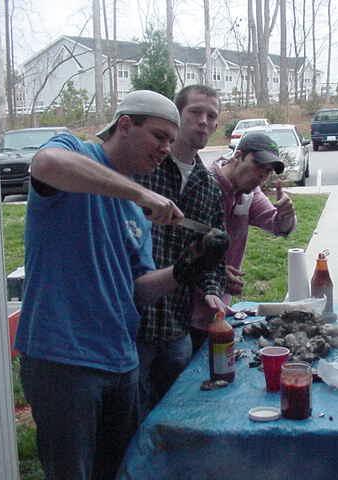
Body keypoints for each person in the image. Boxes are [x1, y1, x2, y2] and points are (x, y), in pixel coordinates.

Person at [15, 90, 224, 480]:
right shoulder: (73, 151)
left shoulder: (134, 212)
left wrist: (185, 269)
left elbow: (138, 290)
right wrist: (141, 192)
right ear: (125, 124)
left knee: (118, 472)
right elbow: (45, 164)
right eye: (159, 136)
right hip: (64, 359)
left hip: (122, 360)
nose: (166, 148)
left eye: (170, 140)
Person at [135, 84, 227, 414]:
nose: (203, 121)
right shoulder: (142, 168)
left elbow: (213, 252)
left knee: (177, 415)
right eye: (195, 112)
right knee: (130, 422)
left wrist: (212, 290)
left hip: (176, 326)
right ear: (177, 115)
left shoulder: (209, 186)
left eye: (211, 116)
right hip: (132, 326)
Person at [210, 132, 296, 305]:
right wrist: (214, 272)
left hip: (220, 300)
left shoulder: (249, 193)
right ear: (238, 156)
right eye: (258, 165)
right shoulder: (205, 184)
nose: (262, 176)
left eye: (268, 171)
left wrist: (286, 215)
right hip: (186, 299)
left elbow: (278, 225)